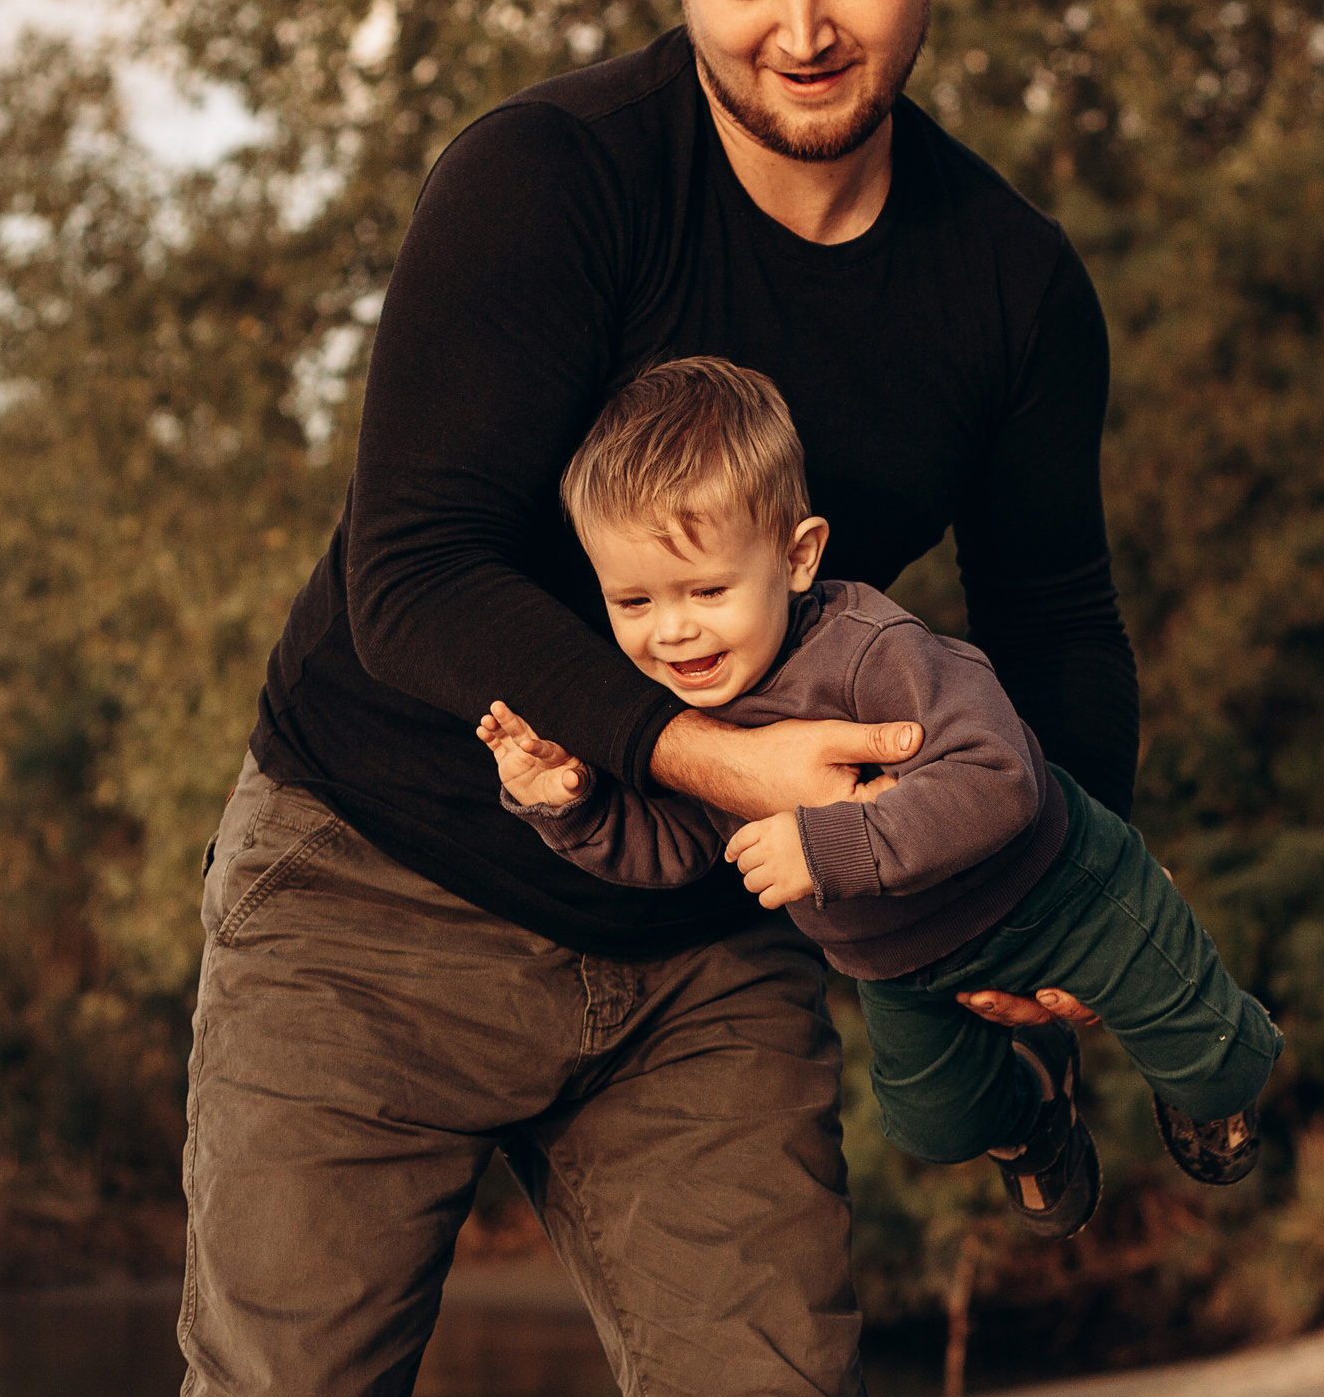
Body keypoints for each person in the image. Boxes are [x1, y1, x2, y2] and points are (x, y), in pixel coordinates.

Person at [163, 0, 1137, 1397]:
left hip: (714, 938)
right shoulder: (548, 181)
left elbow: (1053, 613)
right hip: (373, 900)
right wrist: (712, 753)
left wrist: (1079, 895)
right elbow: (412, 572)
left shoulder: (1012, 286)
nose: (804, 30)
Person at [480, 357, 1283, 1239]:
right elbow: (671, 844)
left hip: (1059, 893)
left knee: (1214, 1066)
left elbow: (998, 776)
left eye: (707, 590)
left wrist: (826, 846)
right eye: (632, 600)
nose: (672, 630)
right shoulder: (684, 710)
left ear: (797, 556)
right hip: (904, 964)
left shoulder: (869, 649)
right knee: (935, 1128)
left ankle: (1216, 1069)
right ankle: (1035, 1102)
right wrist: (571, 803)